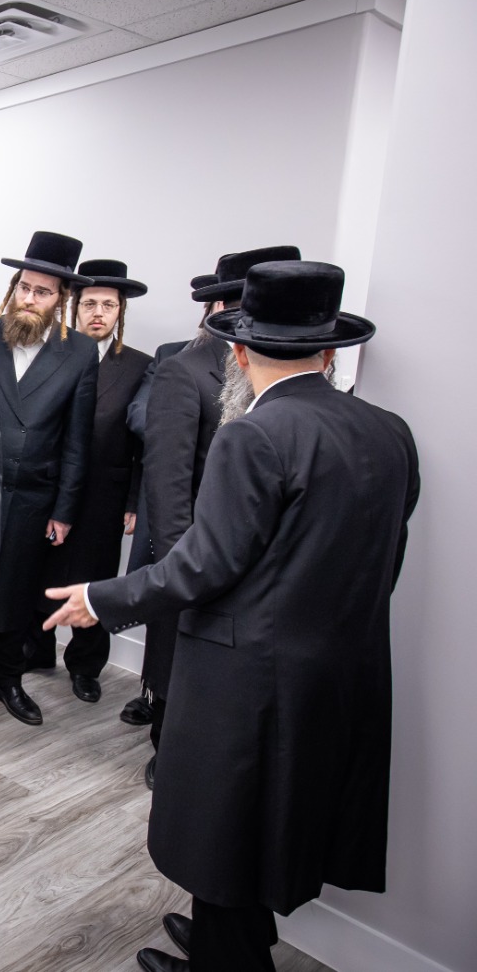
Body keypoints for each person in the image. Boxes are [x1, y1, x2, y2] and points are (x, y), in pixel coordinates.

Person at [45, 261, 418, 972]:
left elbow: (202, 566)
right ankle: (233, 941)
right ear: (328, 351)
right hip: (342, 668)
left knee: (225, 827)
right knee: (273, 823)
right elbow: (385, 559)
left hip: (249, 675)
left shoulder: (254, 434)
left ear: (240, 354)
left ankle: (230, 961)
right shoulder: (389, 430)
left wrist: (99, 599)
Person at [136, 245, 298, 785]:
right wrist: (183, 567)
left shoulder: (285, 372)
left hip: (260, 560)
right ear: (227, 309)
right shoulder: (185, 371)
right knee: (178, 661)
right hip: (196, 552)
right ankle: (166, 748)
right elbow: (168, 483)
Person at [0, 231, 97, 726]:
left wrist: (64, 509)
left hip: (31, 496)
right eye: (24, 287)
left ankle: (7, 678)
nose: (29, 298)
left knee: (15, 593)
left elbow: (77, 439)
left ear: (60, 298)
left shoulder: (79, 352)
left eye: (42, 292)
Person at [36, 260, 150, 703]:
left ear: (120, 311)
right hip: (49, 487)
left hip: (106, 492)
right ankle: (35, 649)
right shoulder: (50, 355)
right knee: (40, 572)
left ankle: (85, 666)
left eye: (108, 305)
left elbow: (144, 440)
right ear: (74, 307)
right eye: (89, 304)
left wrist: (135, 498)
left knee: (96, 580)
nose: (98, 313)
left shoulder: (140, 366)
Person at [115, 273, 216, 729]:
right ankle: (154, 695)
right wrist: (176, 423)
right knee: (165, 606)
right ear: (208, 310)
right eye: (221, 304)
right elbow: (139, 413)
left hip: (219, 508)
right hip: (173, 498)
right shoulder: (175, 356)